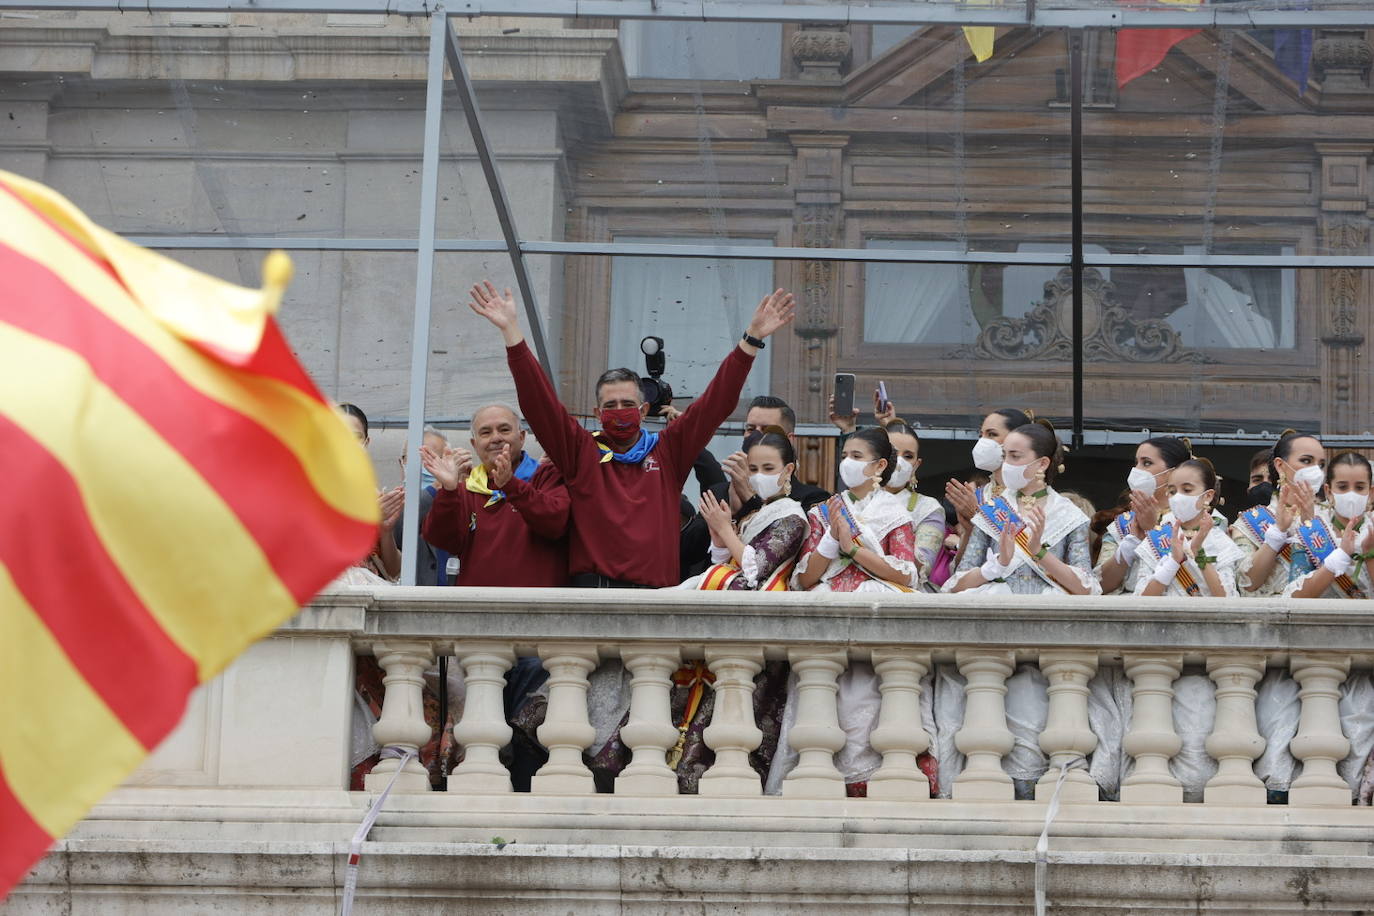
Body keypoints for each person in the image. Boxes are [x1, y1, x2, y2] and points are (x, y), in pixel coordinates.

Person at [468, 280, 796, 588]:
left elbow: (715, 403)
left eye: (628, 403)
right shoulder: (580, 451)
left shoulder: (669, 451)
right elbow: (540, 407)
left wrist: (750, 340)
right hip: (591, 595)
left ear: (643, 411)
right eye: (610, 405)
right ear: (598, 414)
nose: (619, 410)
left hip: (653, 598)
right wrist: (511, 333)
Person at [419, 404, 570, 588]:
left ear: (522, 437)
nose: (496, 438)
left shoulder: (546, 475)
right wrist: (448, 490)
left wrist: (511, 486)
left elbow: (556, 523)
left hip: (536, 610)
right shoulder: (467, 489)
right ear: (474, 444)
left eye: (504, 430)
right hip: (478, 610)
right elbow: (442, 540)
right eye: (485, 432)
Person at [944, 419, 1098, 595]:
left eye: (1015, 456)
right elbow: (955, 586)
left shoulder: (1069, 515)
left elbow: (1087, 589)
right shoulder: (992, 510)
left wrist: (1039, 552)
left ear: (1042, 463)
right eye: (1005, 456)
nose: (1007, 464)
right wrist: (997, 565)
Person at [793, 427, 918, 593]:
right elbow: (804, 580)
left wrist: (852, 549)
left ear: (880, 465)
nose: (847, 462)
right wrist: (831, 538)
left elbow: (906, 577)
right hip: (829, 599)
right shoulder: (825, 511)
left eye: (856, 456)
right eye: (844, 456)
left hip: (876, 599)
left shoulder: (895, 514)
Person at [681, 430, 809, 590]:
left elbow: (756, 569)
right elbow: (729, 565)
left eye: (768, 468)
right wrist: (721, 543)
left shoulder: (791, 517)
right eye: (754, 469)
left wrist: (724, 529)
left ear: (788, 470)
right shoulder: (757, 512)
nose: (759, 475)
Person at [1231, 430, 1325, 597]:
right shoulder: (1249, 522)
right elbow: (1246, 584)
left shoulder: (1330, 518)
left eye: (1321, 464)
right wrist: (1277, 534)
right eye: (1306, 461)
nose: (1316, 470)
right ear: (1280, 465)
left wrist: (1310, 526)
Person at [1132, 458, 1244, 598]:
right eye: (1172, 491)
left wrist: (1198, 553)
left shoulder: (1221, 543)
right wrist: (1173, 562)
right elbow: (1142, 600)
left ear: (1208, 496)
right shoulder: (1157, 538)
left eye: (1187, 490)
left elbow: (1226, 600)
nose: (1178, 497)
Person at [1095, 436, 1192, 595]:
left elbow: (1198, 581)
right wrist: (1131, 543)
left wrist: (1152, 530)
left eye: (1146, 463)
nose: (1137, 470)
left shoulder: (1196, 520)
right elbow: (1100, 585)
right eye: (1136, 463)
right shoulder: (1125, 523)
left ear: (1173, 473)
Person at [944, 407, 1034, 563]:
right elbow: (962, 568)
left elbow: (1031, 557)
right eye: (981, 435)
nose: (982, 441)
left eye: (991, 434)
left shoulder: (1034, 495)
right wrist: (969, 530)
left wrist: (977, 517)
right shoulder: (979, 495)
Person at [1285, 451, 1374, 600]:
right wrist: (1340, 557)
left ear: (1371, 492)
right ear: (1329, 491)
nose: (1351, 494)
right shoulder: (1311, 531)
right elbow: (1294, 598)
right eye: (1343, 487)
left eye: (1359, 487)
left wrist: (1370, 554)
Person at [724, 395, 830, 515]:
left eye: (767, 430)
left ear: (788, 439)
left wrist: (750, 499)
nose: (756, 437)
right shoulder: (721, 493)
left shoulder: (812, 499)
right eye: (751, 429)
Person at [337, 403, 405, 583]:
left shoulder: (376, 497)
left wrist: (386, 530)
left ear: (366, 443)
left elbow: (393, 569)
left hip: (368, 594)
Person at [878, 421, 947, 591]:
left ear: (916, 465)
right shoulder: (855, 501)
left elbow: (922, 565)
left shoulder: (928, 508)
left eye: (908, 456)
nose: (899, 461)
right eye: (892, 452)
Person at [396, 425, 453, 586]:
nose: (424, 466)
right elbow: (398, 531)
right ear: (401, 463)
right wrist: (433, 488)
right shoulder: (391, 504)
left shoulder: (457, 502)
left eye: (432, 459)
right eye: (416, 459)